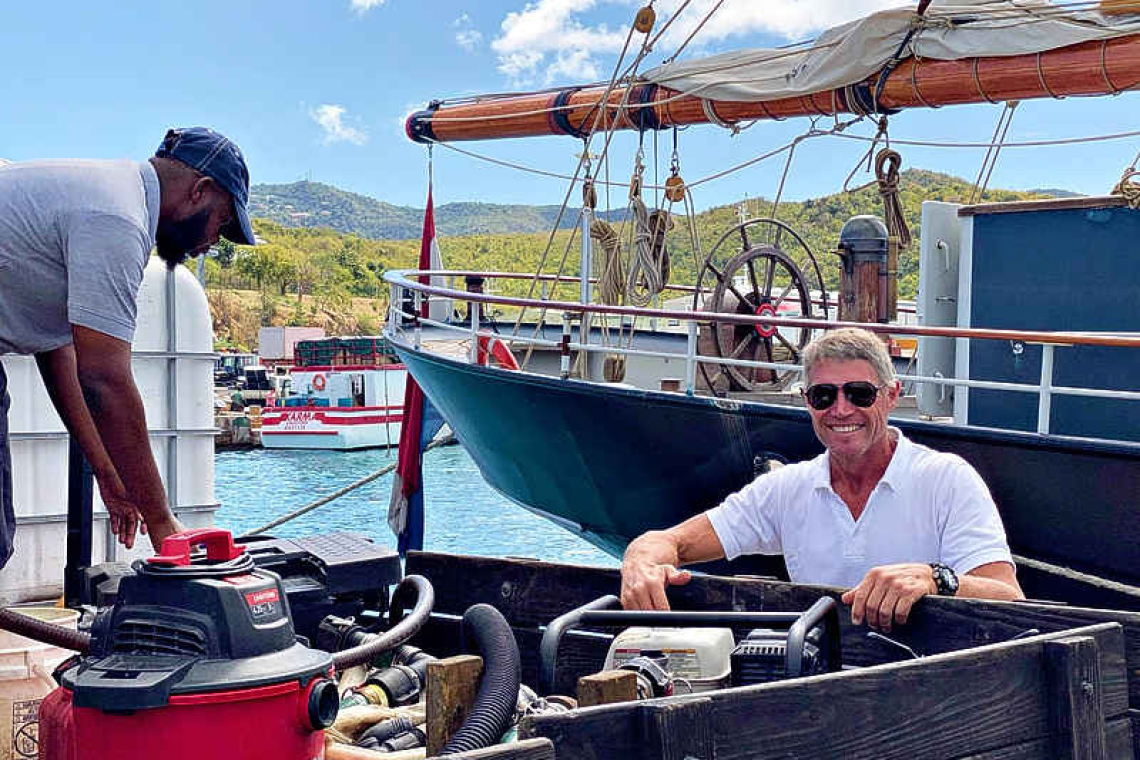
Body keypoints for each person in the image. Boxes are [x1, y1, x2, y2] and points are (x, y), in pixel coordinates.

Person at [621, 327, 1024, 631]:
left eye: (860, 394)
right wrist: (640, 561)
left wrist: (935, 579)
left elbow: (1011, 599)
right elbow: (671, 542)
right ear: (807, 402)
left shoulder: (947, 480)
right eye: (824, 396)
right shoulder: (787, 489)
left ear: (892, 394)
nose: (841, 409)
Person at [0, 127, 256, 567]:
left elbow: (62, 352)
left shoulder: (105, 194)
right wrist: (163, 525)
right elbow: (105, 379)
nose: (214, 241)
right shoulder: (117, 219)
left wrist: (109, 472)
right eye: (224, 221)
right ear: (200, 191)